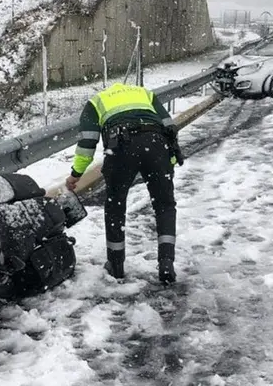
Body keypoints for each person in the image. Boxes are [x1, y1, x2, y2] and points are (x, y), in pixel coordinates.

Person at [65, 82, 184, 284]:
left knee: (115, 206)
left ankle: (116, 265)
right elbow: (169, 125)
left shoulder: (96, 102)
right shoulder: (144, 93)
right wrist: (170, 158)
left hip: (121, 147)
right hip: (156, 144)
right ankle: (166, 262)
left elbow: (87, 142)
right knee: (164, 205)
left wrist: (76, 174)